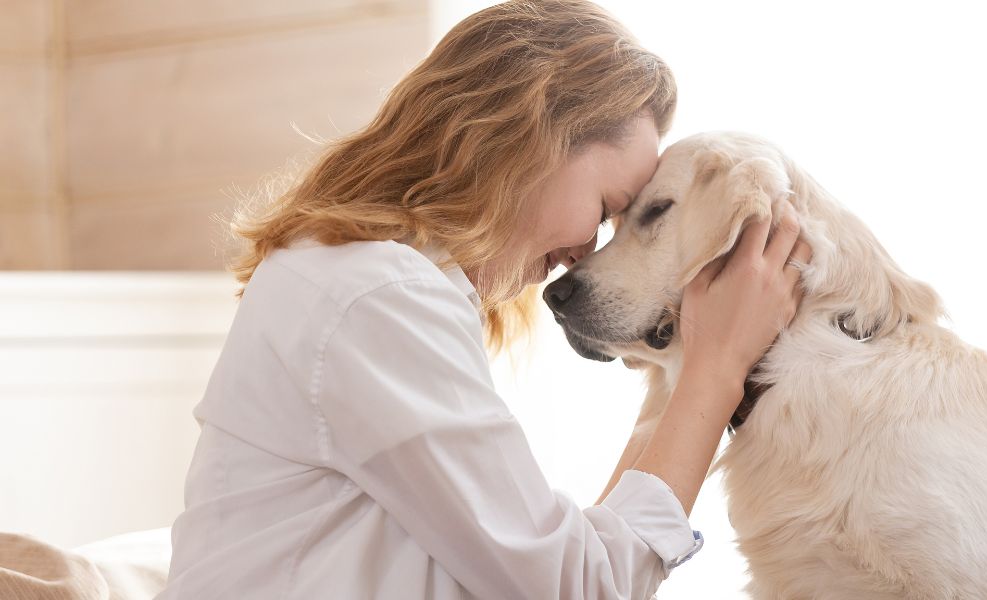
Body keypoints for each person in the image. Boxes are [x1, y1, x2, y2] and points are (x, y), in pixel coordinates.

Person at [157, 1, 808, 598]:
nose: (586, 251)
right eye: (606, 209)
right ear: (532, 135)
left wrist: (681, 372)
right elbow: (576, 587)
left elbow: (557, 561)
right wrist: (715, 371)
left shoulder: (358, 276)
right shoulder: (378, 297)